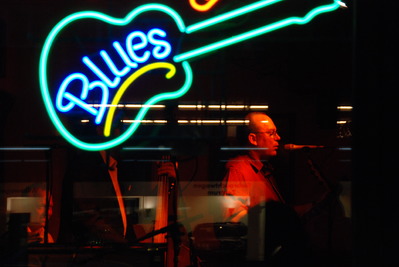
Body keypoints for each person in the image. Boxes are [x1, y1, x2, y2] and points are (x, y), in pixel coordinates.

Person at [222, 112, 308, 266]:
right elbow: (234, 220)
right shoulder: (239, 170)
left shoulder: (266, 171)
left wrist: (313, 206)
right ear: (253, 139)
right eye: (271, 133)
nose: (278, 138)